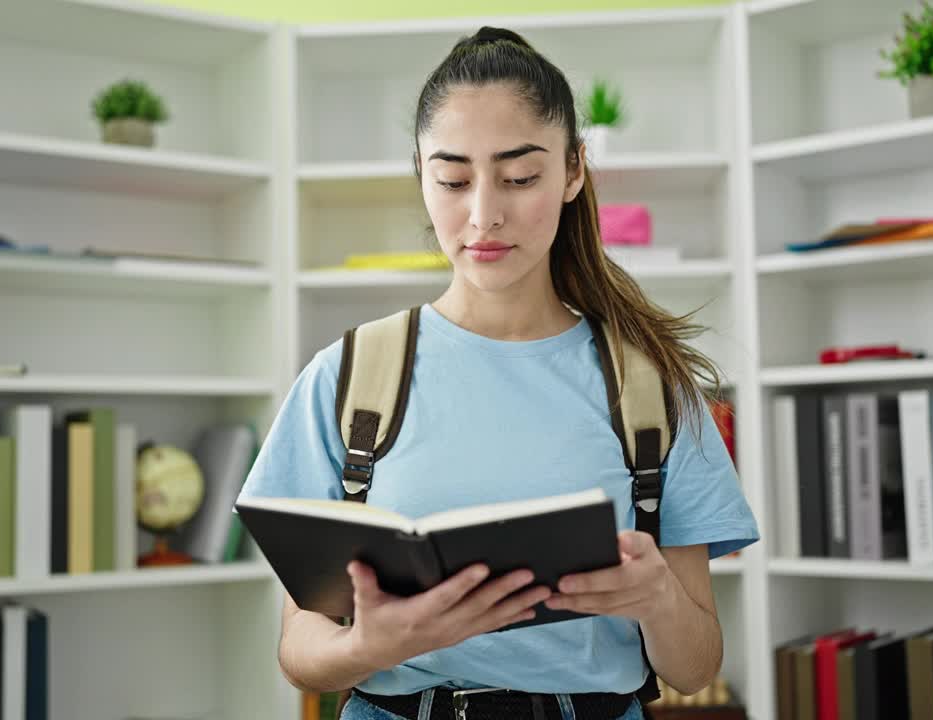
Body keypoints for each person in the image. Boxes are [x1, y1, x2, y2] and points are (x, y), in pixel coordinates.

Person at [235, 25, 759, 720]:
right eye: (452, 178)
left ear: (573, 170)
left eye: (519, 177)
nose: (484, 214)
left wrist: (658, 599)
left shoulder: (649, 387)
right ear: (419, 174)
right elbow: (299, 650)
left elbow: (695, 669)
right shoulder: (348, 378)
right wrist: (370, 644)